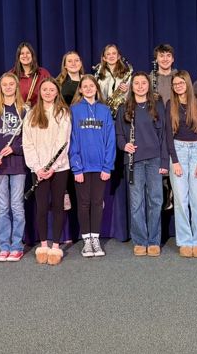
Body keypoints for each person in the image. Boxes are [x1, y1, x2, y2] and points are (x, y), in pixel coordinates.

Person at [116, 72, 168, 257]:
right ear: (131, 86)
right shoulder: (124, 107)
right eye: (136, 83)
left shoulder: (157, 106)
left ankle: (153, 240)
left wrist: (164, 162)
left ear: (148, 85)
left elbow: (164, 137)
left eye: (143, 83)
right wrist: (125, 145)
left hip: (154, 160)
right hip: (134, 161)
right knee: (137, 203)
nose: (139, 86)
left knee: (156, 200)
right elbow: (119, 135)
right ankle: (140, 240)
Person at [23, 79, 71, 266]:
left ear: (57, 92)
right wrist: (37, 167)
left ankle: (56, 245)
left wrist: (53, 166)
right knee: (42, 207)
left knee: (58, 206)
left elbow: (63, 141)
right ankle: (43, 245)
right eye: (45, 89)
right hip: (39, 169)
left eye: (52, 89)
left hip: (59, 168)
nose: (48, 92)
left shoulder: (63, 112)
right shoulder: (31, 114)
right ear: (40, 92)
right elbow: (27, 143)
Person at [165, 71, 197, 258]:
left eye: (181, 83)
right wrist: (175, 161)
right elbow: (168, 136)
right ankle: (184, 241)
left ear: (187, 84)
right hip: (178, 152)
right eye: (175, 84)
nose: (178, 86)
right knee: (181, 201)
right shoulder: (171, 105)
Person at [69, 75, 116, 257]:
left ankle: (96, 239)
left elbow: (110, 140)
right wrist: (76, 167)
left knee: (97, 203)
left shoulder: (104, 111)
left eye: (91, 85)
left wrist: (107, 166)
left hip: (100, 167)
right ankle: (86, 240)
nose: (88, 88)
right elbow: (71, 139)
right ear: (80, 89)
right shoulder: (74, 110)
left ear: (96, 88)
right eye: (85, 86)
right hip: (82, 167)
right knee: (83, 203)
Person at [0, 73, 27, 262]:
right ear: (0, 87)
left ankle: (17, 245)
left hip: (17, 165)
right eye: (4, 84)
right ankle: (4, 246)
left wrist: (15, 148)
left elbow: (31, 140)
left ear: (16, 86)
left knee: (17, 207)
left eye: (11, 84)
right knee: (2, 208)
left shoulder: (25, 110)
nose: (8, 87)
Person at [10, 42, 51, 106]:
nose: (25, 56)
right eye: (22, 53)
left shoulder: (43, 73)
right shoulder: (11, 74)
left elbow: (51, 93)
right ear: (18, 57)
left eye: (28, 53)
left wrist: (33, 104)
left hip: (39, 110)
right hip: (18, 111)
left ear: (32, 55)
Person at [94, 44, 132, 113]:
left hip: (121, 111)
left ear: (118, 56)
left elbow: (131, 95)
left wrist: (126, 90)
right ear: (104, 58)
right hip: (103, 110)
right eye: (108, 54)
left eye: (114, 53)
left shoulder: (126, 74)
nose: (111, 56)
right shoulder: (99, 75)